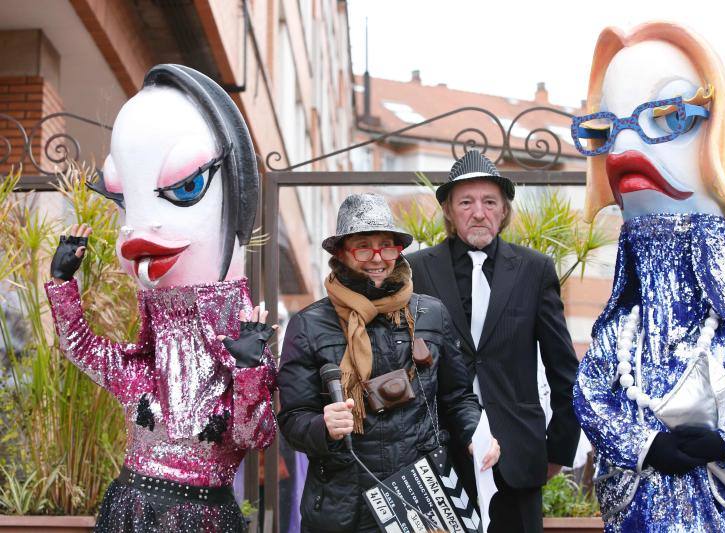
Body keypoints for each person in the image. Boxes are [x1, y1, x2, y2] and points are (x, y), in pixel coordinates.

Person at [572, 22, 725, 531]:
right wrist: (645, 446)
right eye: (608, 129)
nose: (626, 143)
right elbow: (590, 394)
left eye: (670, 115)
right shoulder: (621, 336)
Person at [45, 64, 277, 532]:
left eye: (186, 185)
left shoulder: (241, 348)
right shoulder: (142, 375)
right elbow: (81, 348)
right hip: (129, 510)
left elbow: (256, 434)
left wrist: (250, 370)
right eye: (124, 200)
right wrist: (62, 283)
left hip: (203, 516)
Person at [277, 193, 500, 532]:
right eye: (363, 246)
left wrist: (475, 436)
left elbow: (457, 397)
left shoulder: (430, 313)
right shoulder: (309, 324)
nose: (377, 258)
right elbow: (293, 420)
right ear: (340, 253)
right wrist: (323, 426)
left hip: (421, 497)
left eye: (387, 246)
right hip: (343, 506)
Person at [406, 150, 581, 533]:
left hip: (517, 455)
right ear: (449, 211)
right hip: (440, 452)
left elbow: (563, 368)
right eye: (466, 202)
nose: (479, 213)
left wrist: (557, 449)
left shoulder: (535, 270)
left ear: (504, 211)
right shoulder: (417, 270)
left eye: (489, 202)